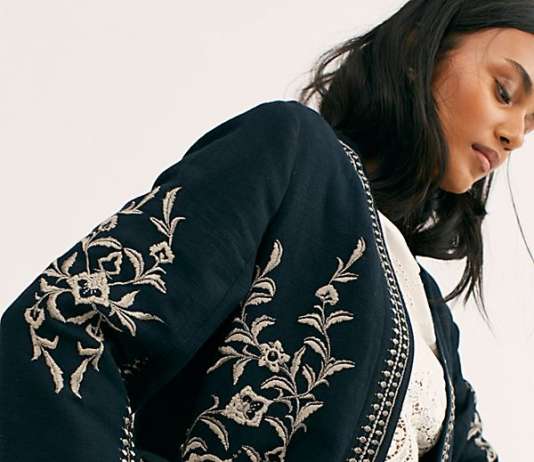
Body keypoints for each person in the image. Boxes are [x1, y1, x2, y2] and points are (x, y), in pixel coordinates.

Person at [1, 0, 532, 460]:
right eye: (505, 92)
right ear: (421, 49)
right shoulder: (293, 157)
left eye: (531, 123)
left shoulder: (434, 320)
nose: (514, 135)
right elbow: (64, 328)